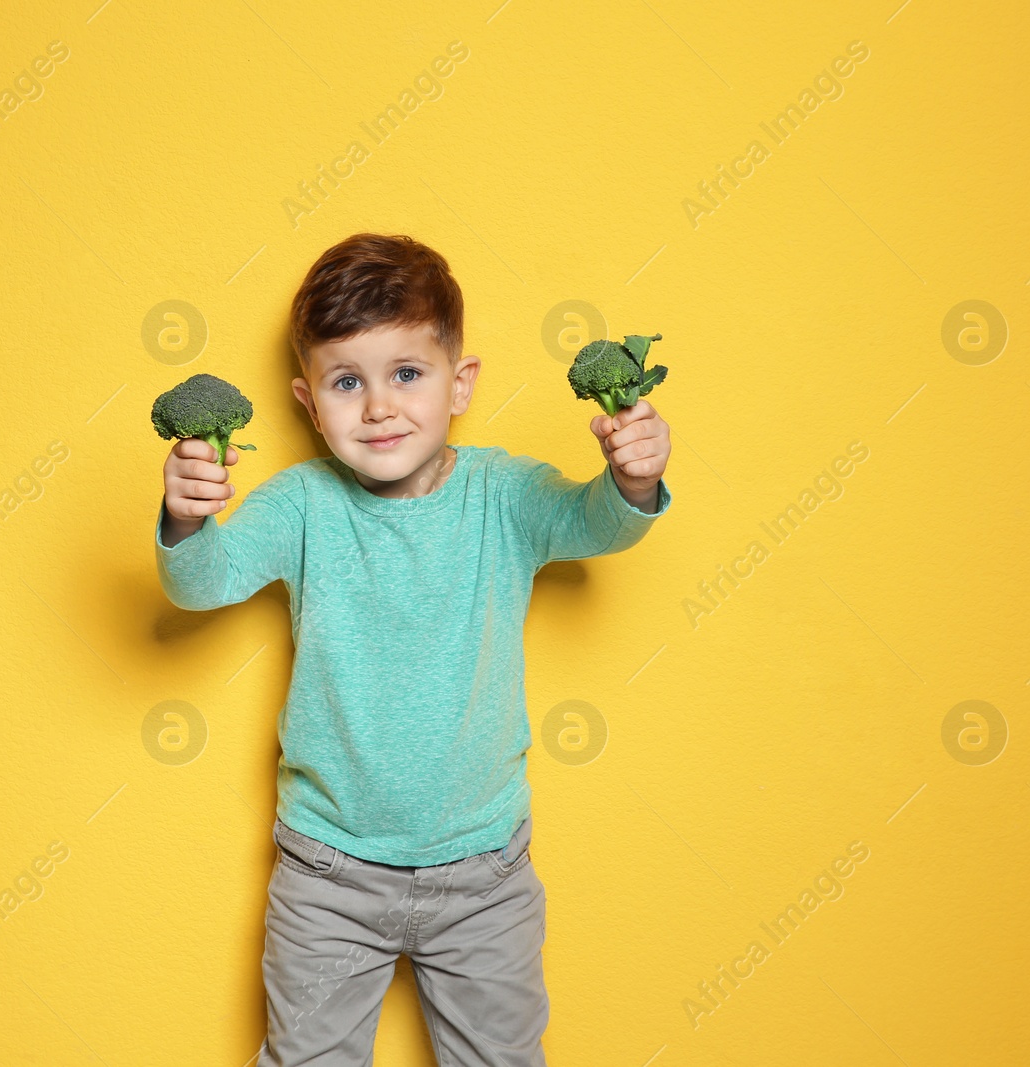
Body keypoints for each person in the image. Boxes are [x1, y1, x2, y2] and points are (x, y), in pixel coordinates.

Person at [153, 232, 674, 1065]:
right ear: (309, 401)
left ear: (459, 382)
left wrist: (633, 480)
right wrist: (186, 517)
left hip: (484, 875)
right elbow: (203, 581)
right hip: (326, 873)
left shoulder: (505, 494)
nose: (379, 407)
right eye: (347, 382)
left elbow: (596, 524)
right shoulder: (301, 505)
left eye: (407, 373)